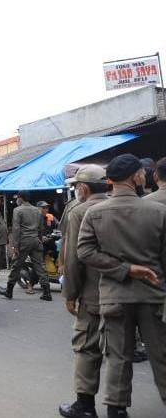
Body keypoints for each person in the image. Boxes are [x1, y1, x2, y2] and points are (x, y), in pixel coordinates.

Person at [77, 153, 166, 418]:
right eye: (141, 173)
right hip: (153, 294)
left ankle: (116, 409)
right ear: (136, 176)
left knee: (118, 356)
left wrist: (124, 270)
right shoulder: (158, 212)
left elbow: (84, 252)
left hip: (115, 296)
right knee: (161, 356)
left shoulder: (94, 213)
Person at [58, 164, 109, 418]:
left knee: (87, 347)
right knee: (120, 352)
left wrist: (70, 294)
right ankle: (118, 408)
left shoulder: (79, 211)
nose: (76, 190)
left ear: (84, 188)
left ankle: (85, 406)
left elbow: (75, 258)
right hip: (127, 291)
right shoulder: (121, 206)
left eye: (77, 186)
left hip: (93, 293)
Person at [5, 190, 50, 300]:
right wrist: (39, 240)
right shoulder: (37, 210)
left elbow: (16, 229)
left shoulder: (17, 210)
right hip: (36, 240)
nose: (16, 200)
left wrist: (15, 246)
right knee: (40, 266)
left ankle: (9, 291)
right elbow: (41, 228)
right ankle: (47, 292)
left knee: (16, 265)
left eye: (17, 198)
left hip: (24, 241)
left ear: (21, 198)